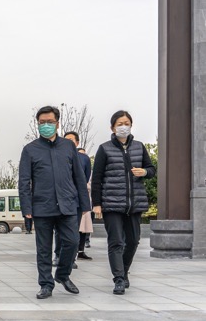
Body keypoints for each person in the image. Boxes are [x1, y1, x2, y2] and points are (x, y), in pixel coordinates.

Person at [18, 106, 90, 300]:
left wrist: (85, 205)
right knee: (43, 249)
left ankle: (63, 275)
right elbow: (24, 181)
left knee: (72, 242)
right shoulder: (30, 149)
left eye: (49, 122)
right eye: (42, 122)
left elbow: (79, 176)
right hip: (42, 206)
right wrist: (26, 208)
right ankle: (46, 284)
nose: (46, 125)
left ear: (57, 124)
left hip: (68, 205)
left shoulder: (68, 146)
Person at [91, 110, 156, 295]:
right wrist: (97, 204)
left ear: (131, 125)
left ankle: (124, 271)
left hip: (134, 204)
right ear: (112, 127)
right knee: (116, 242)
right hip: (111, 204)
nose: (123, 127)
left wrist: (144, 172)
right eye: (119, 124)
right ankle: (119, 279)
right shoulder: (104, 149)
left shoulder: (139, 147)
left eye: (126, 123)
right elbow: (97, 178)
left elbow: (151, 169)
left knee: (133, 241)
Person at [52, 131, 92, 266]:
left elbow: (84, 179)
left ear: (77, 142)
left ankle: (71, 258)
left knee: (73, 232)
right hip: (62, 199)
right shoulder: (58, 155)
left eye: (71, 140)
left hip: (76, 201)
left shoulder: (84, 159)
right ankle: (58, 255)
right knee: (59, 231)